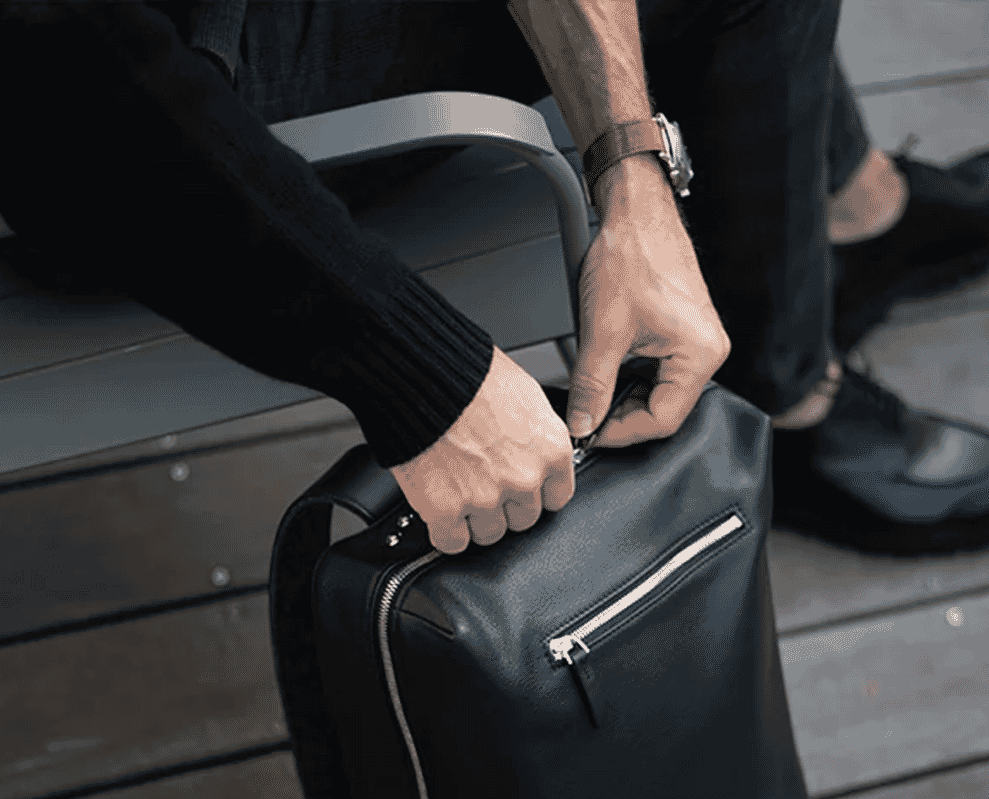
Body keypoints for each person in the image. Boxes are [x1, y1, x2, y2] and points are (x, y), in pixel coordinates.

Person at [2, 0, 987, 558]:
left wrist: (632, 174)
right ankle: (783, 403)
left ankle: (846, 208)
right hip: (99, 103)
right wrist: (419, 375)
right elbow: (57, 72)